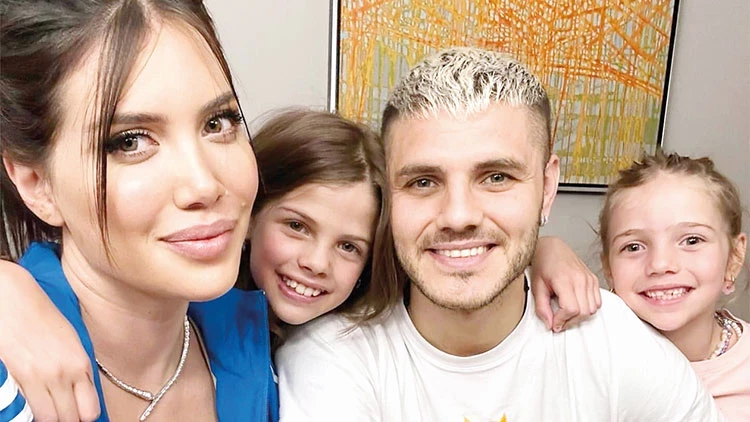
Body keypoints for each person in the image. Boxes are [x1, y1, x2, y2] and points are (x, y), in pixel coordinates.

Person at [0, 103, 599, 420]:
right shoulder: (180, 299)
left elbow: (442, 263)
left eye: (349, 247)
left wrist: (539, 249)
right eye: (296, 226)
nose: (316, 263)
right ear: (249, 208)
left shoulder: (341, 338)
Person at [274, 47, 724, 420]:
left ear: (547, 187)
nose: (458, 216)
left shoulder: (611, 340)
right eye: (423, 182)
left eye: (496, 177)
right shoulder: (332, 359)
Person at [0, 0, 277, 420]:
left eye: (218, 122)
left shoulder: (262, 347)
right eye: (130, 141)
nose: (204, 185)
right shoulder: (12, 387)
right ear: (37, 184)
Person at [598, 151, 748, 420]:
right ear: (609, 268)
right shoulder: (591, 359)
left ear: (734, 257)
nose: (660, 264)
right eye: (634, 246)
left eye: (692, 240)